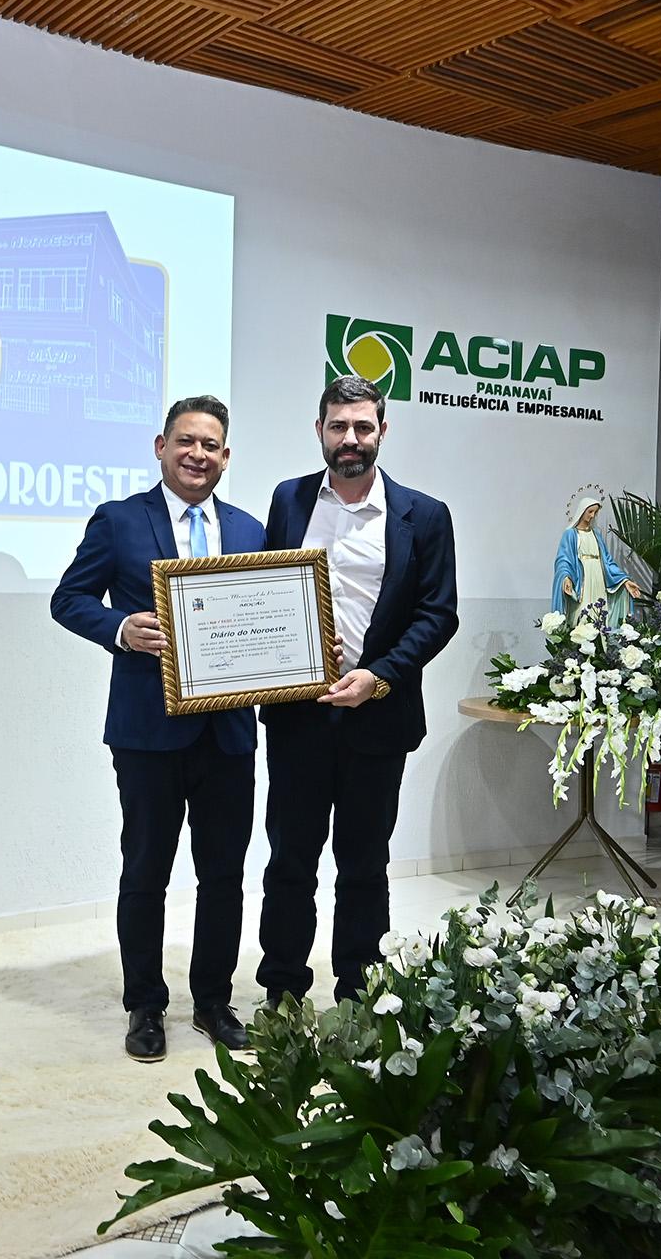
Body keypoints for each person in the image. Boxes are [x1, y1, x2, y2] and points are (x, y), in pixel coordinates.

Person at [51, 396, 264, 1063]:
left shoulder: (251, 529)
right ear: (161, 447)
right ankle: (145, 1004)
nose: (198, 454)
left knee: (224, 876)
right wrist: (119, 628)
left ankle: (213, 1000)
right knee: (145, 872)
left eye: (211, 445)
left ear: (226, 456)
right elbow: (68, 599)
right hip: (147, 732)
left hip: (229, 733)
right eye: (186, 441)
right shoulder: (119, 520)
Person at [256, 374, 459, 1007]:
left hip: (378, 717)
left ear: (382, 431)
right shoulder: (289, 500)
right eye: (338, 426)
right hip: (298, 716)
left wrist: (379, 676)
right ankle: (282, 986)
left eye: (362, 426)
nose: (350, 438)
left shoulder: (424, 515)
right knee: (290, 859)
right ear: (319, 430)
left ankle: (359, 991)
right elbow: (268, 591)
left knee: (365, 863)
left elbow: (438, 614)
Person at [553, 493, 641, 627]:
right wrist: (566, 578)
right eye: (590, 511)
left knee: (599, 611)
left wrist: (625, 581)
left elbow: (607, 561)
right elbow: (563, 559)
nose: (592, 515)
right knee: (582, 613)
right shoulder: (570, 534)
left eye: (595, 512)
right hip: (582, 578)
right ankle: (579, 639)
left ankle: (600, 639)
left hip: (598, 576)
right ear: (582, 511)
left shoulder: (596, 534)